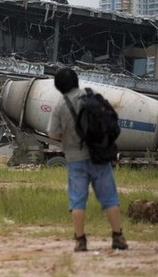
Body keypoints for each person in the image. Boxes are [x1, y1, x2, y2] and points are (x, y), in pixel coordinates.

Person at [47, 67, 128, 252]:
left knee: (77, 201)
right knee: (110, 199)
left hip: (75, 158)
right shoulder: (92, 95)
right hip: (99, 156)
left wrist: (69, 138)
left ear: (58, 86)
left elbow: (53, 133)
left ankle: (80, 241)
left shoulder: (60, 105)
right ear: (76, 80)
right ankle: (118, 237)